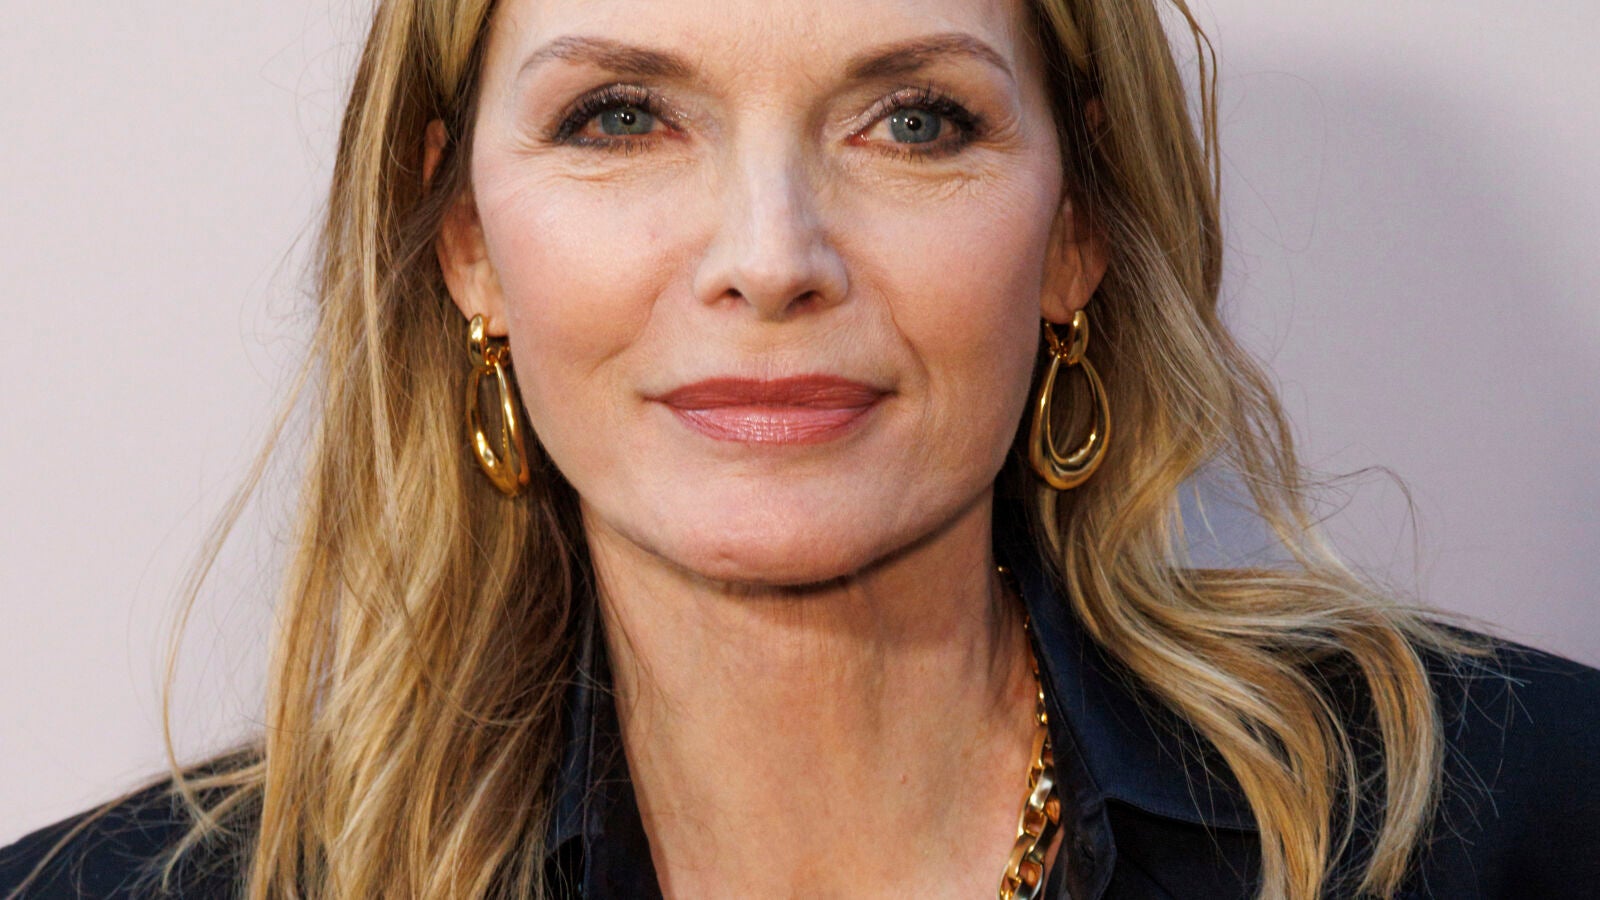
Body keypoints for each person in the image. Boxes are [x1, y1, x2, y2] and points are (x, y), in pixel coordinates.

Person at [4, 0, 1598, 897]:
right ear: (467, 241)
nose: (771, 259)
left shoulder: (1523, 818)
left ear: (1076, 231)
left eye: (915, 120)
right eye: (622, 116)